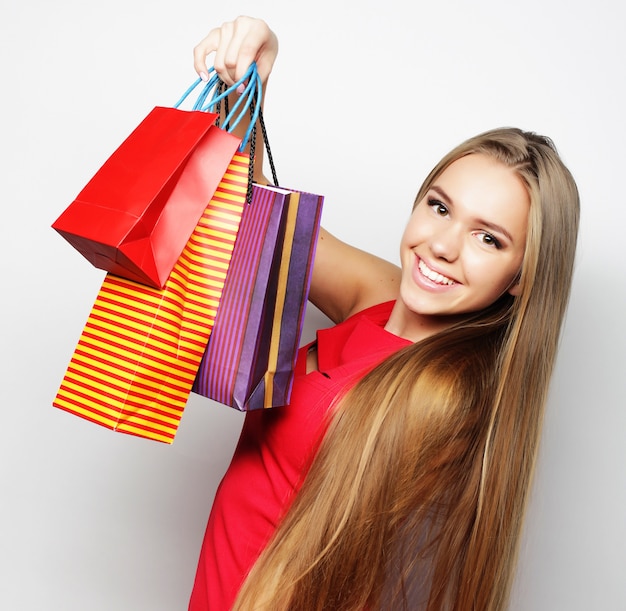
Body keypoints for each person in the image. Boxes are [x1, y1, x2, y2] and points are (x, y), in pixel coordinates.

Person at [188, 16, 580, 611]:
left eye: (489, 239)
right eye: (440, 206)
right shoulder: (380, 295)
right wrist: (252, 89)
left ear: (522, 280)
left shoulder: (445, 398)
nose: (443, 245)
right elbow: (254, 220)